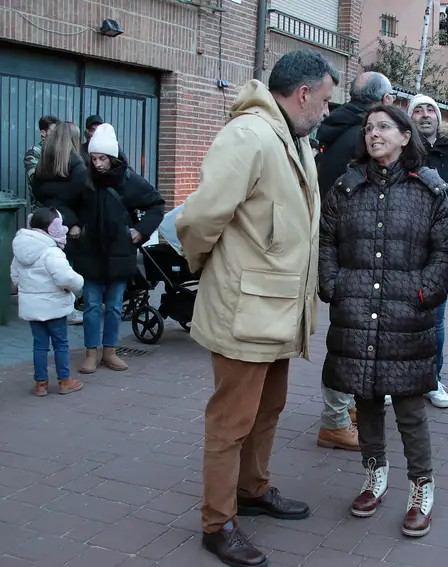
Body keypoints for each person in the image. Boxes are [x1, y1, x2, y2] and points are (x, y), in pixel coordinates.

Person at [175, 50, 338, 567]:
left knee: (267, 410)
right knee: (231, 421)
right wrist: (210, 268)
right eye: (327, 101)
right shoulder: (249, 135)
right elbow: (199, 218)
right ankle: (217, 522)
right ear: (304, 94)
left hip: (277, 311)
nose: (328, 112)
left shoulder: (295, 138)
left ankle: (253, 489)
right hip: (246, 310)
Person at [320, 104, 448, 537]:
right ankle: (373, 475)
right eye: (368, 128)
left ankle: (421, 488)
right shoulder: (346, 188)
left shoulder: (429, 189)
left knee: (409, 407)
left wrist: (424, 294)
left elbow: (446, 250)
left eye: (384, 127)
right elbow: (326, 240)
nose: (373, 133)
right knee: (365, 399)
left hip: (406, 315)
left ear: (404, 136)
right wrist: (334, 286)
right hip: (357, 310)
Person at [314, 71, 395, 452]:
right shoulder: (360, 139)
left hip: (345, 253)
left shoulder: (336, 130)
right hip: (351, 255)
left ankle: (345, 412)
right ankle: (335, 420)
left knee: (352, 338)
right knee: (349, 340)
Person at [72, 123, 165, 374]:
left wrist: (141, 231)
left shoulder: (129, 180)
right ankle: (92, 352)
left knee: (114, 306)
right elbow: (66, 203)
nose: (98, 163)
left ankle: (110, 351)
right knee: (91, 305)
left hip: (120, 253)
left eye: (102, 158)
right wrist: (73, 225)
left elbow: (157, 204)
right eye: (93, 158)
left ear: (113, 157)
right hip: (90, 252)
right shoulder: (83, 179)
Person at [408, 94, 448, 410]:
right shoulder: (401, 150)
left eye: (430, 109)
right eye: (417, 110)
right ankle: (398, 379)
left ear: (438, 117)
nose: (425, 114)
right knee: (400, 316)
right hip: (402, 245)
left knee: (436, 319)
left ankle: (433, 379)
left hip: (439, 248)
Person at [11, 207, 84, 396]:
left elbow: (15, 276)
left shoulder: (20, 249)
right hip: (54, 306)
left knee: (39, 345)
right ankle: (65, 381)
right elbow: (65, 278)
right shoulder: (52, 252)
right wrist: (79, 285)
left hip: (32, 307)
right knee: (60, 344)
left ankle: (40, 384)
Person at [31, 121, 89, 324]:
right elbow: (82, 196)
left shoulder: (44, 161)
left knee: (48, 266)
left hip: (46, 218)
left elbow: (37, 191)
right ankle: (68, 310)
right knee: (66, 267)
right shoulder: (77, 163)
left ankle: (46, 308)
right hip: (66, 222)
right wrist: (76, 222)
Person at [25, 115, 60, 187]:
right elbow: (34, 178)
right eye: (54, 131)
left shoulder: (61, 150)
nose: (58, 134)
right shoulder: (34, 152)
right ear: (43, 133)